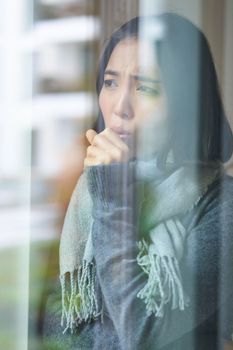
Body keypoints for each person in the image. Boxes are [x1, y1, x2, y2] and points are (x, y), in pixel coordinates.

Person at [42, 12, 233, 350]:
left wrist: (113, 200)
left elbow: (141, 333)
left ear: (188, 102)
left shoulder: (222, 203)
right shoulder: (91, 191)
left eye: (145, 87)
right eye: (111, 82)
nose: (120, 107)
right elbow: (59, 329)